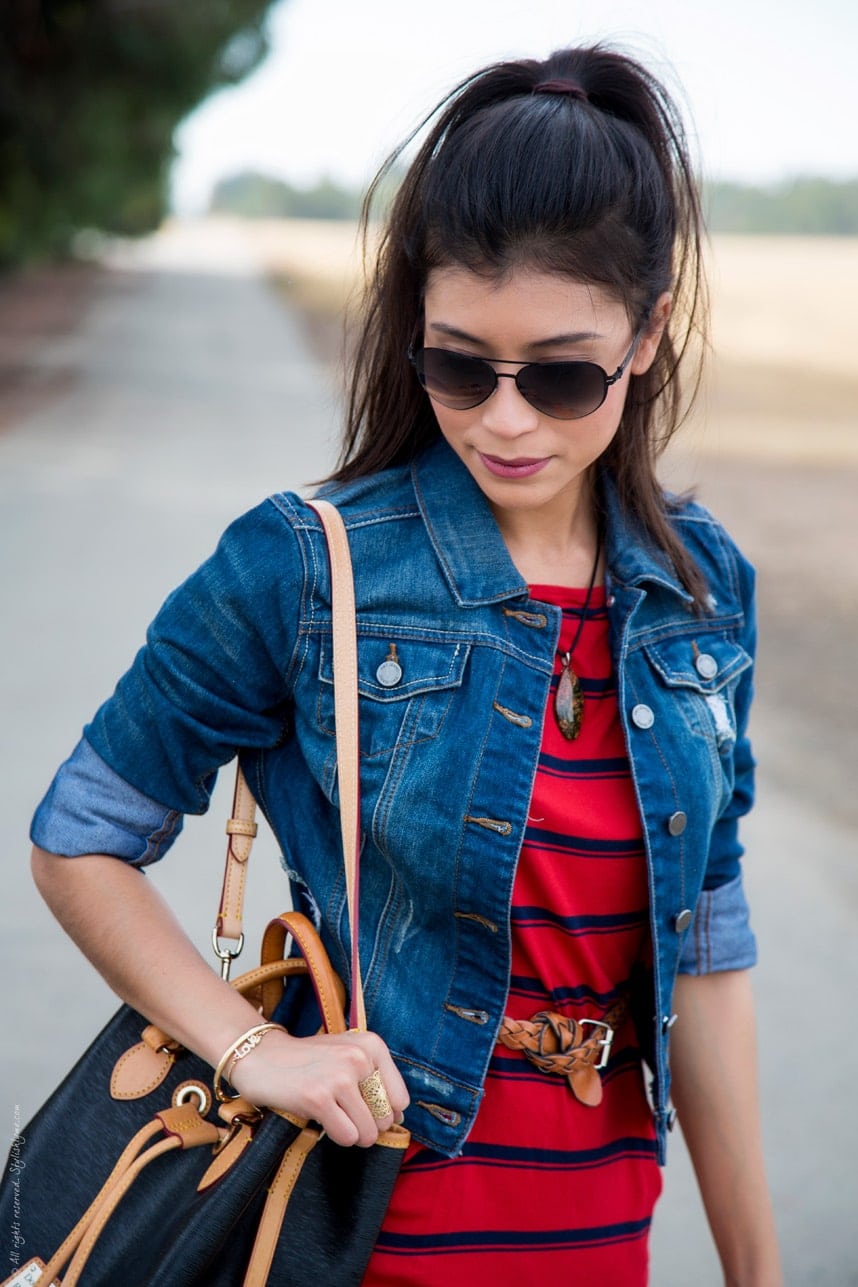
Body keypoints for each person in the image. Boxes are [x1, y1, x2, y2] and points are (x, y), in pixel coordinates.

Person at [30, 43, 781, 1285]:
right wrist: (247, 1051)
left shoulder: (703, 590)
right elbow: (82, 832)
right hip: (368, 1234)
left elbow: (706, 950)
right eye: (456, 364)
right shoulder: (302, 566)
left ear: (647, 335)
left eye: (560, 373)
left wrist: (758, 1270)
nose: (502, 417)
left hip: (604, 1235)